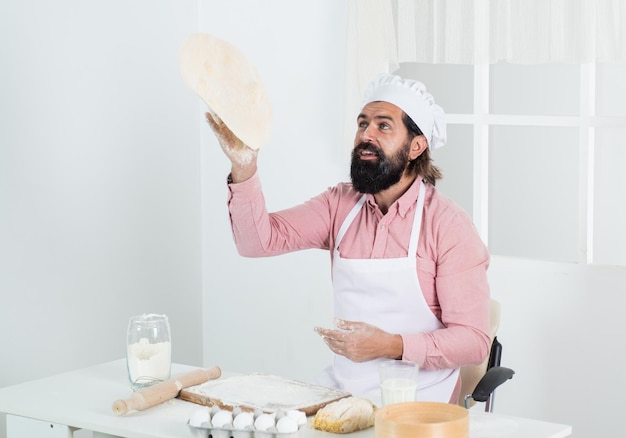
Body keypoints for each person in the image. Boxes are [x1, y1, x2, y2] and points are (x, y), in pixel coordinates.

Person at [205, 73, 491, 406]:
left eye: (383, 126)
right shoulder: (339, 205)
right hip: (343, 393)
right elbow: (257, 242)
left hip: (420, 403)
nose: (365, 135)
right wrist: (245, 166)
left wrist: (391, 346)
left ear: (416, 146)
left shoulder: (447, 225)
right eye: (362, 124)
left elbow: (473, 342)